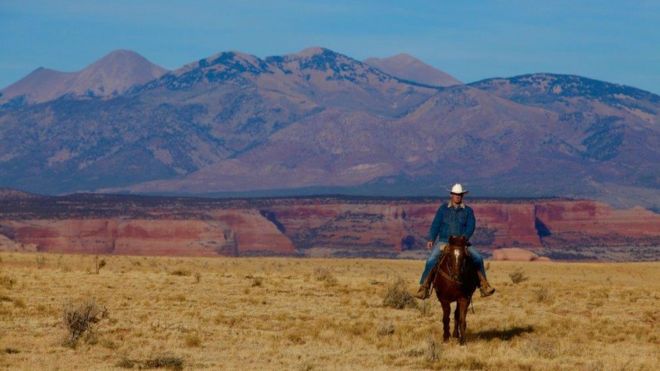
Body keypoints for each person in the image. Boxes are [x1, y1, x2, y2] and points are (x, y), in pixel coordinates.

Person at [414, 183, 496, 299]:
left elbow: (471, 226)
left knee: (478, 258)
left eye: (460, 195)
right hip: (444, 241)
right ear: (451, 195)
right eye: (455, 194)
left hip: (462, 243)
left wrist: (464, 238)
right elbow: (435, 225)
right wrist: (431, 238)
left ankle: (484, 285)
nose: (458, 196)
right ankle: (424, 287)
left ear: (462, 196)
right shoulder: (443, 209)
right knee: (431, 260)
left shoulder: (468, 211)